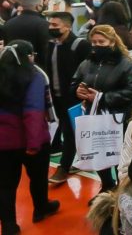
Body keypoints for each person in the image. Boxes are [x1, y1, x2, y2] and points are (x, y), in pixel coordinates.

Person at [71, 25, 132, 196]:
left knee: (119, 155)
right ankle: (106, 184)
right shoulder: (86, 63)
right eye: (94, 42)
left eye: (101, 42)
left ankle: (122, 189)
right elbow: (75, 81)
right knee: (97, 154)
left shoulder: (126, 65)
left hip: (118, 118)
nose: (96, 45)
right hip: (93, 117)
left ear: (112, 42)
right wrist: (76, 90)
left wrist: (103, 97)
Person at [0, 41, 60, 233]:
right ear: (27, 56)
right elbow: (33, 111)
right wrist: (34, 143)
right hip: (31, 140)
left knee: (5, 185)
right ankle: (41, 208)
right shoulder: (34, 76)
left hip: (3, 142)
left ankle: (8, 225)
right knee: (38, 177)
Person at [45, 12, 92, 185]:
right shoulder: (51, 45)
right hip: (56, 97)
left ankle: (63, 168)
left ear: (67, 26)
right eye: (50, 25)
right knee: (71, 131)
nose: (51, 28)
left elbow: (88, 72)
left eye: (55, 26)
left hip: (76, 99)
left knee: (70, 133)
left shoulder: (81, 45)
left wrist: (82, 94)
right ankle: (84, 161)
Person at [4, 0, 49, 67]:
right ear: (38, 6)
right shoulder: (43, 24)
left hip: (13, 68)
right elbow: (46, 51)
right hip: (37, 69)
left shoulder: (8, 24)